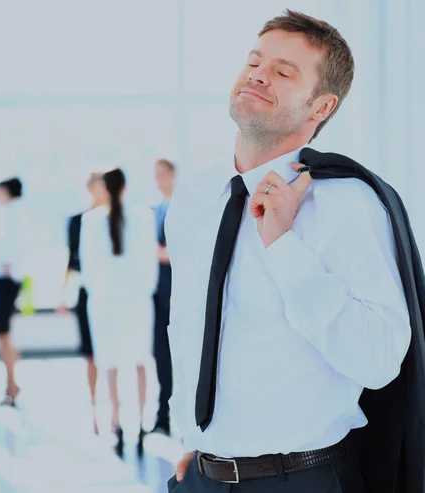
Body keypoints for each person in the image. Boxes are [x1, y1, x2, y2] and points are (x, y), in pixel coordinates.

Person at [166, 10, 416, 493]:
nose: (258, 73)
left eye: (283, 71)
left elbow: (381, 360)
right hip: (200, 476)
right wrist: (199, 439)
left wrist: (284, 247)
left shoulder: (348, 205)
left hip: (301, 478)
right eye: (254, 61)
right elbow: (193, 326)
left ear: (320, 107)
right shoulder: (196, 196)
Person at [80, 168, 158, 456]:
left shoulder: (90, 221)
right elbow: (149, 265)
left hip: (104, 302)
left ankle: (116, 424)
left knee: (110, 364)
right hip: (137, 300)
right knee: (139, 362)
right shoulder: (144, 216)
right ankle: (138, 426)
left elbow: (87, 268)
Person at [58, 172, 107, 434]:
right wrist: (64, 294)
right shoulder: (78, 221)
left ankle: (114, 415)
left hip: (111, 294)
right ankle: (94, 412)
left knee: (112, 354)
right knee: (90, 354)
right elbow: (72, 259)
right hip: (87, 291)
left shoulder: (118, 219)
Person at [0, 177, 26, 406]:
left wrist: (7, 268)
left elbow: (11, 251)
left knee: (3, 333)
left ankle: (12, 385)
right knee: (3, 334)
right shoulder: (7, 214)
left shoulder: (14, 215)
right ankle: (12, 382)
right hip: (3, 279)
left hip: (6, 280)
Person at [151, 159, 176, 436]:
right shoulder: (153, 209)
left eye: (161, 174)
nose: (158, 180)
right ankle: (162, 415)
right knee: (160, 357)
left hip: (173, 293)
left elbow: (174, 251)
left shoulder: (177, 207)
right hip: (158, 295)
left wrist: (152, 251)